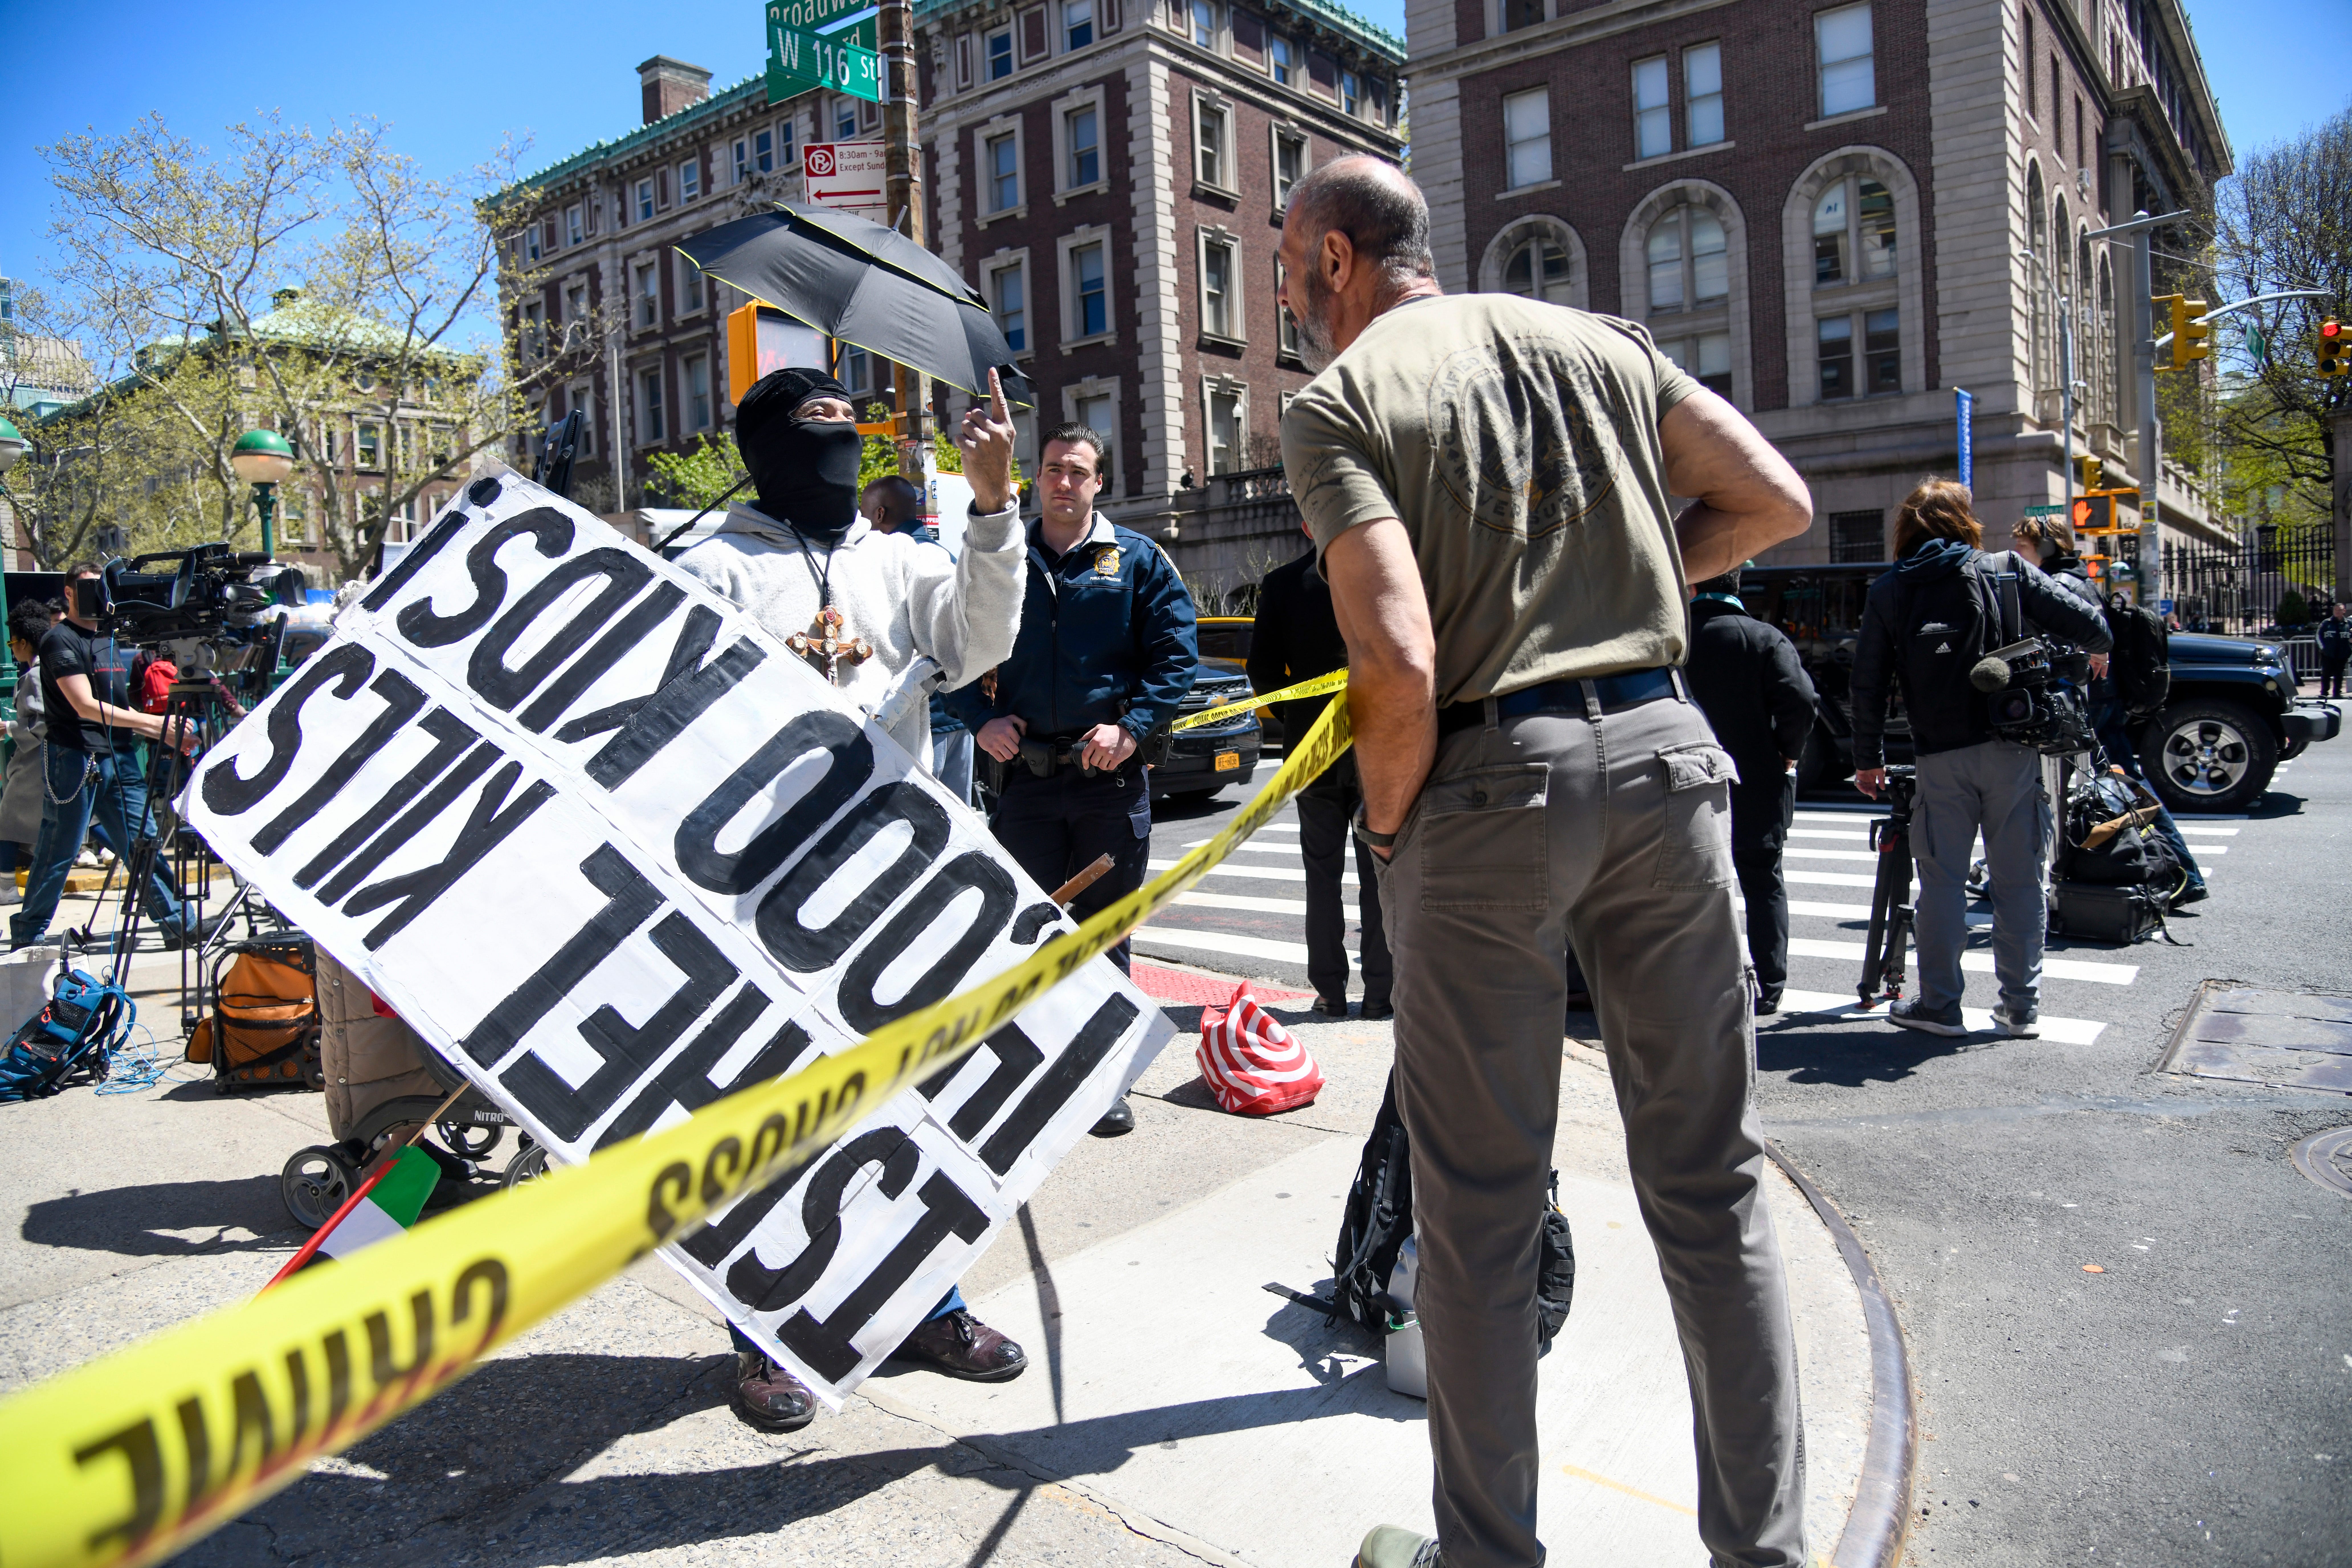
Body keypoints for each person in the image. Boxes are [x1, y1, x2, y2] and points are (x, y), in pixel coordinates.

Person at [1277, 155, 1815, 1568]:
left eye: (1287, 261)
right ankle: (1765, 1549)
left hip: (1484, 791)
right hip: (1664, 754)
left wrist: (1390, 828)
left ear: (1337, 257)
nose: (1285, 290)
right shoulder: (1602, 346)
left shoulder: (1340, 401)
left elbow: (1394, 653)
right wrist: (1630, 588)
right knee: (1714, 1186)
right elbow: (1772, 500)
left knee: (1480, 1215)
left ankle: (1490, 1554)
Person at [672, 366, 1032, 1433]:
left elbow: (979, 641)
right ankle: (765, 1334)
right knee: (772, 1116)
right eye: (814, 430)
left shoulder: (902, 558)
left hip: (890, 881)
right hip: (758, 893)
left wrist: (994, 500)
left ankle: (928, 1303)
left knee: (911, 1105)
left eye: (849, 426)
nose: (841, 445)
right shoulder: (707, 566)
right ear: (765, 447)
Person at [947, 421, 1198, 1135]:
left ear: (1099, 482)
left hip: (1105, 783)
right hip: (1023, 785)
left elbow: (1174, 659)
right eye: (1054, 468)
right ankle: (1033, 1072)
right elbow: (951, 648)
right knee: (1025, 931)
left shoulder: (1139, 561)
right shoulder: (1000, 559)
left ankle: (1104, 1079)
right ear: (1035, 476)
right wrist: (976, 718)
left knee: (1104, 936)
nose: (1065, 481)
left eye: (1079, 471)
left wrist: (1133, 727)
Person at [1850, 481, 2111, 1040]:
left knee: (1941, 883)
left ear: (1907, 530)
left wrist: (1867, 758)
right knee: (2019, 883)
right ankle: (2020, 1009)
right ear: (1963, 521)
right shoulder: (2005, 571)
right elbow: (2094, 627)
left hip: (1938, 757)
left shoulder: (1891, 589)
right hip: (2012, 748)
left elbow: (1868, 682)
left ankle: (1941, 1006)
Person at [10, 565, 212, 952]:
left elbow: (122, 700)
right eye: (86, 588)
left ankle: (178, 923)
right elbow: (86, 706)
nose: (95, 595)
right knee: (60, 850)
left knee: (143, 841)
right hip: (74, 758)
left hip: (118, 755)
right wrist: (158, 729)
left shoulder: (109, 637)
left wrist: (158, 729)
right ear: (69, 593)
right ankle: (29, 935)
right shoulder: (59, 640)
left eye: (99, 587)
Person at [2010, 515, 2205, 906]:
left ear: (2048, 548)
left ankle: (2182, 871)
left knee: (2119, 785)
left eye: (2024, 548)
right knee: (2121, 783)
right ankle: (2179, 870)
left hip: (2084, 703)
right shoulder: (2081, 581)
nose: (2017, 556)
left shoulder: (2057, 585)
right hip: (2100, 699)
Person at [1247, 524, 1392, 1019]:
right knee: (1381, 875)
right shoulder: (1383, 574)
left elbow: (1263, 672)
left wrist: (1301, 720)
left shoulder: (1284, 583)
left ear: (1308, 522)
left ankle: (1330, 993)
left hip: (1312, 750)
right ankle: (1382, 993)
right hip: (1380, 746)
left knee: (1321, 874)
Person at [1684, 565, 1817, 1015]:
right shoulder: (1764, 637)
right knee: (1763, 881)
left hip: (1686, 782)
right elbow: (1801, 699)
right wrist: (1787, 751)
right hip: (1758, 779)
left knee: (1689, 885)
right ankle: (1770, 986)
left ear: (1694, 586)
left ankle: (1699, 983)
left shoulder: (1674, 639)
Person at [863, 472, 979, 803]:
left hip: (921, 723)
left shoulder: (894, 561)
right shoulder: (944, 556)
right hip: (960, 716)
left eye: (864, 513)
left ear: (880, 514)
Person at [0, 601, 62, 907]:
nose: (12, 649)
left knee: (7, 824)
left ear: (24, 642)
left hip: (34, 764)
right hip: (45, 762)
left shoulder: (33, 676)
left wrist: (10, 728)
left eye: (13, 643)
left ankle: (6, 887)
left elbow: (41, 723)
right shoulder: (49, 669)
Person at [2318, 600, 2349, 700]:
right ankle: (2324, 693)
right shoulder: (2327, 623)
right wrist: (2323, 648)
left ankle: (2337, 693)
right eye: (2336, 610)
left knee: (2339, 675)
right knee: (2326, 674)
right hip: (2328, 654)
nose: (2337, 612)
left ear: (2344, 611)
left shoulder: (2349, 624)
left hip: (2342, 654)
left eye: (2340, 610)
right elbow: (2318, 636)